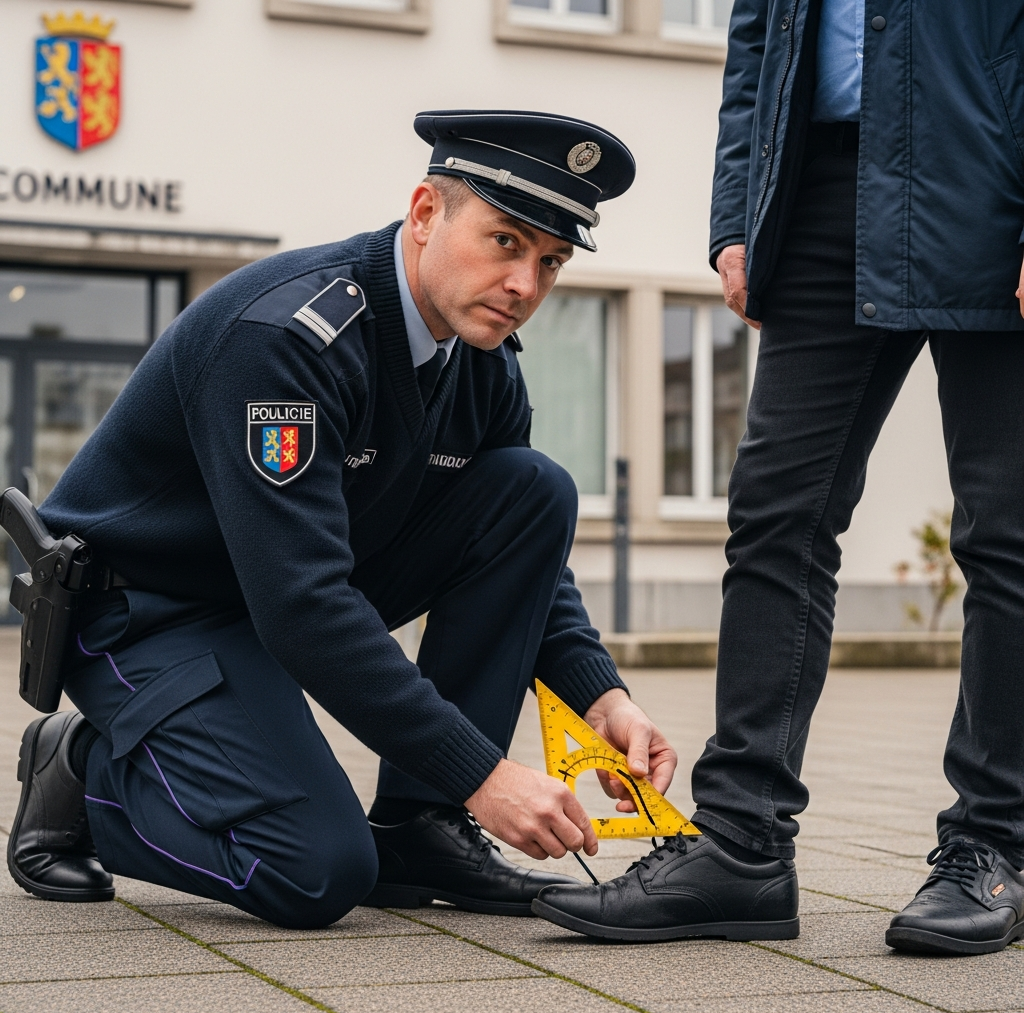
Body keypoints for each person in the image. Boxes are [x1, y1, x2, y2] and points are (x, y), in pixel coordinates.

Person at [6, 110, 681, 929]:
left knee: (532, 487)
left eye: (550, 261)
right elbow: (304, 605)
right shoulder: (286, 339)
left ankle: (421, 827)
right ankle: (85, 770)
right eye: (506, 242)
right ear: (426, 214)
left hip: (275, 597)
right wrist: (486, 773)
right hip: (144, 612)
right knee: (313, 871)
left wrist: (600, 699)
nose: (526, 287)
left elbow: (521, 547)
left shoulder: (482, 357)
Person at [533, 2, 1024, 955]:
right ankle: (741, 845)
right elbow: (758, 38)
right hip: (819, 187)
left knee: (1005, 538)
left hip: (992, 170)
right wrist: (736, 215)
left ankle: (994, 844)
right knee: (774, 517)